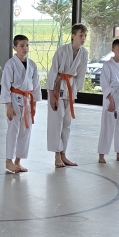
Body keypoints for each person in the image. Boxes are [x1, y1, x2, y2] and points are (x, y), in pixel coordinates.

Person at [46, 23, 89, 167]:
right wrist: (52, 94)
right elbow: (53, 72)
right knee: (56, 123)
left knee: (67, 124)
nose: (83, 38)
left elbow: (80, 76)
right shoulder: (62, 51)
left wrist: (74, 96)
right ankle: (57, 155)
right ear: (73, 36)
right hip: (57, 87)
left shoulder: (84, 53)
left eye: (85, 36)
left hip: (70, 89)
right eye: (81, 35)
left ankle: (64, 154)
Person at [0, 34, 41, 173]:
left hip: (27, 100)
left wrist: (34, 103)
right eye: (22, 46)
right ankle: (8, 161)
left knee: (26, 131)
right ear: (15, 47)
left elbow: (36, 85)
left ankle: (18, 161)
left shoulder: (32, 64)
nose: (25, 48)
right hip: (14, 99)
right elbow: (5, 85)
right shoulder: (10, 64)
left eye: (27, 45)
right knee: (13, 130)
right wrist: (8, 105)